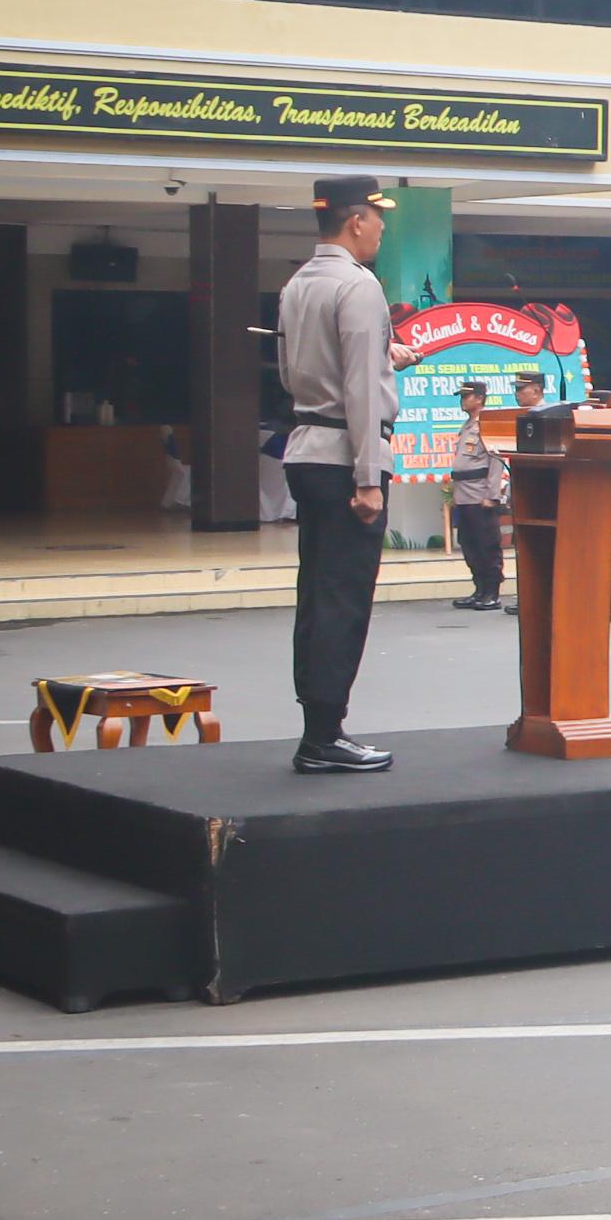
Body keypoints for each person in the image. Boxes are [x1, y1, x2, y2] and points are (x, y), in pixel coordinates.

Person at [276, 177, 403, 774]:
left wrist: (385, 360)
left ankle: (317, 725)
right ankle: (325, 734)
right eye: (377, 218)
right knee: (343, 598)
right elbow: (357, 389)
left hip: (307, 446)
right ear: (356, 221)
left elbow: (296, 370)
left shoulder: (299, 282)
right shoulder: (358, 285)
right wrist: (368, 477)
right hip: (346, 457)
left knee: (317, 593)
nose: (382, 228)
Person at [445, 381, 509, 609]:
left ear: (479, 399)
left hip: (480, 494)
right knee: (469, 543)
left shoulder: (486, 424)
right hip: (464, 495)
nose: (463, 400)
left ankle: (492, 592)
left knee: (486, 544)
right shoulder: (468, 425)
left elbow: (495, 461)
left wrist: (492, 495)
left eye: (467, 396)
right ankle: (479, 589)